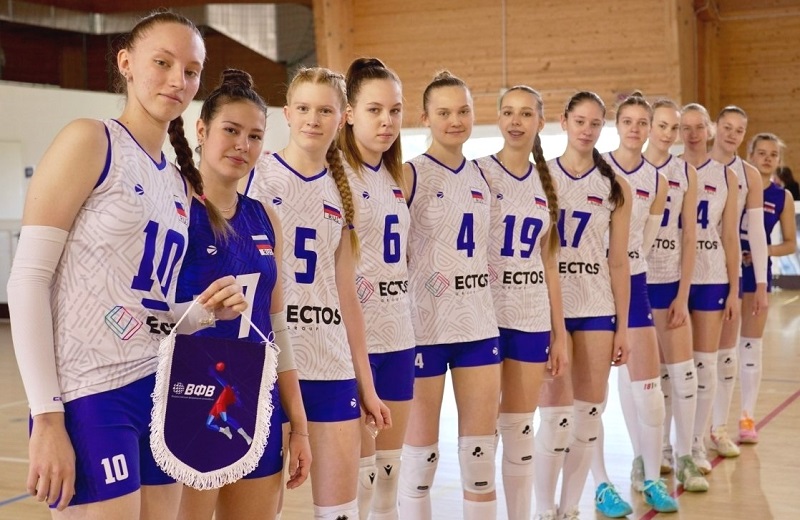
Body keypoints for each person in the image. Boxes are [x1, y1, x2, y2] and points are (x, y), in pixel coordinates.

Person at [6, 10, 247, 518]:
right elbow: (28, 279)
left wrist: (204, 312)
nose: (177, 80)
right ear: (126, 64)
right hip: (90, 393)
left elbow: (148, 310)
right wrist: (46, 417)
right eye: (162, 62)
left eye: (191, 71)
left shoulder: (179, 183)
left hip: (157, 387)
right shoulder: (90, 140)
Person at [245, 66, 391, 520]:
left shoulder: (346, 190)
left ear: (343, 117)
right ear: (287, 113)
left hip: (329, 364)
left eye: (325, 110)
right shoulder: (255, 175)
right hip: (266, 364)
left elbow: (347, 297)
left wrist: (366, 385)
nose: (313, 119)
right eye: (304, 108)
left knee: (341, 511)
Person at [174, 69, 311, 520]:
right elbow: (146, 312)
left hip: (256, 397)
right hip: (189, 396)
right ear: (201, 131)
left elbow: (277, 327)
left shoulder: (265, 217)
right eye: (231, 130)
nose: (242, 145)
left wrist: (298, 422)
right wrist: (201, 313)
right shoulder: (175, 208)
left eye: (254, 136)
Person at [396, 70, 501, 520]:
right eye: (443, 112)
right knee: (420, 462)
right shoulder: (408, 174)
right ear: (425, 118)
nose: (455, 120)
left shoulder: (483, 175)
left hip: (478, 326)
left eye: (463, 111)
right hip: (424, 329)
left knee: (480, 462)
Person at [533, 91, 631, 520]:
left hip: (595, 305)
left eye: (595, 123)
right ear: (564, 121)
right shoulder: (541, 177)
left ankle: (570, 508)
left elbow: (619, 261)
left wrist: (623, 327)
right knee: (555, 420)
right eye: (580, 121)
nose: (587, 130)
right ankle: (544, 510)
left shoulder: (615, 186)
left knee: (588, 417)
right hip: (548, 307)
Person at [475, 85, 568, 520]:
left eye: (526, 113)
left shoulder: (548, 184)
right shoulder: (477, 173)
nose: (516, 121)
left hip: (530, 317)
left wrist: (559, 332)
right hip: (483, 316)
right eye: (508, 112)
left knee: (519, 429)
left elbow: (550, 263)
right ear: (498, 118)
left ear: (540, 123)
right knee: (481, 436)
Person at [592, 92, 677, 513]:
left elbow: (643, 241)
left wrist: (625, 267)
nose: (636, 128)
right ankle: (600, 482)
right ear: (617, 124)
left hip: (633, 281)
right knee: (592, 399)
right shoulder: (596, 168)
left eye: (643, 122)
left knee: (649, 391)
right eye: (628, 121)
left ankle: (651, 478)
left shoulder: (658, 181)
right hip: (590, 285)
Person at [338, 57, 414, 520]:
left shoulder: (398, 177)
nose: (387, 120)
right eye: (374, 110)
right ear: (349, 113)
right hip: (353, 344)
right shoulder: (333, 175)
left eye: (395, 110)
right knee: (362, 480)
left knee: (389, 476)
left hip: (399, 337)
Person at [642, 99, 708, 492]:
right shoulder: (627, 168)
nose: (668, 134)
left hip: (670, 284)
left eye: (675, 127)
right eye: (662, 126)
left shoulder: (686, 173)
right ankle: (646, 458)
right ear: (649, 126)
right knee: (645, 382)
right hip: (636, 284)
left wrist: (683, 295)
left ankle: (685, 457)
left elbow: (689, 237)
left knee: (684, 374)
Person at [679, 103, 740, 474]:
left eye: (699, 126)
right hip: (672, 277)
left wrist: (734, 289)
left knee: (705, 364)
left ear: (709, 130)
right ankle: (669, 447)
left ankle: (696, 444)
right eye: (685, 127)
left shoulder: (726, 176)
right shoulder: (667, 171)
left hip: (711, 276)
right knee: (672, 370)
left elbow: (730, 236)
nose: (692, 134)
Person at [708, 106, 769, 459]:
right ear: (715, 128)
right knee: (689, 362)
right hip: (690, 270)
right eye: (727, 127)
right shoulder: (690, 165)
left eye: (739, 130)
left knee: (726, 355)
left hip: (728, 270)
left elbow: (757, 232)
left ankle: (719, 428)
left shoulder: (749, 175)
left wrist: (760, 284)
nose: (732, 134)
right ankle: (685, 437)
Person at [739, 133, 797, 441]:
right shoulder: (734, 184)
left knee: (751, 347)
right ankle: (710, 423)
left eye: (773, 154)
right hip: (722, 274)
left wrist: (763, 252)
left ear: (778, 160)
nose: (766, 158)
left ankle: (747, 417)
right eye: (761, 152)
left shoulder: (781, 196)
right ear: (750, 155)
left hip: (757, 276)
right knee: (719, 352)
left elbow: (789, 244)